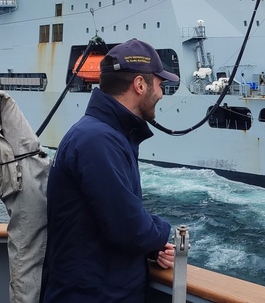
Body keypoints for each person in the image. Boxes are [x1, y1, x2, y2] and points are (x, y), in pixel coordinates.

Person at [42, 38, 177, 302]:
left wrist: (152, 248)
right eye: (160, 84)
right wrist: (162, 231)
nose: (161, 93)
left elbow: (103, 220)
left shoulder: (101, 134)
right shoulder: (98, 141)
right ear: (140, 85)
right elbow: (130, 229)